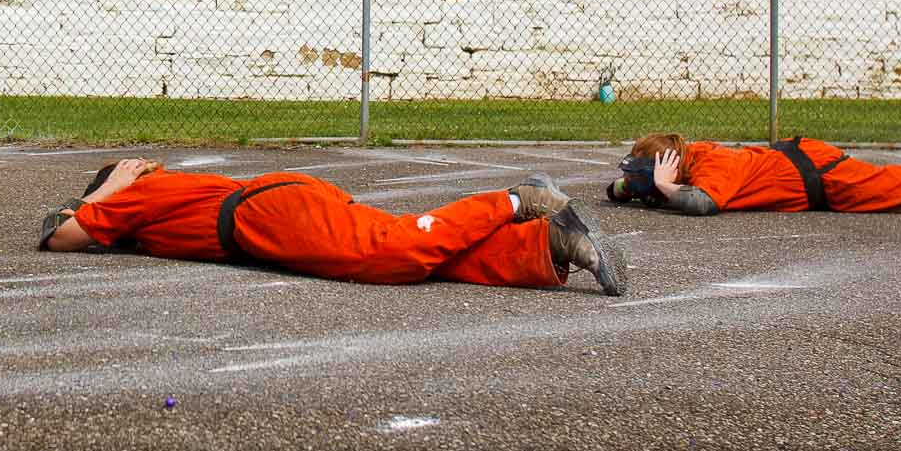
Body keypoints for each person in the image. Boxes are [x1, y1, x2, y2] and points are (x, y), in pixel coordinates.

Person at [37, 159, 628, 296]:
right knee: (431, 256)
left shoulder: (136, 191)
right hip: (274, 209)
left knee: (390, 256)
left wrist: (110, 188)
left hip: (265, 218)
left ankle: (516, 200)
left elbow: (59, 235)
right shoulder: (155, 200)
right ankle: (549, 244)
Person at [608, 133, 901, 217]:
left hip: (829, 181)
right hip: (814, 168)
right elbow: (622, 188)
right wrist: (631, 186)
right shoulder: (698, 159)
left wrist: (670, 189)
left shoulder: (716, 167)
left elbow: (702, 204)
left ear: (673, 165)